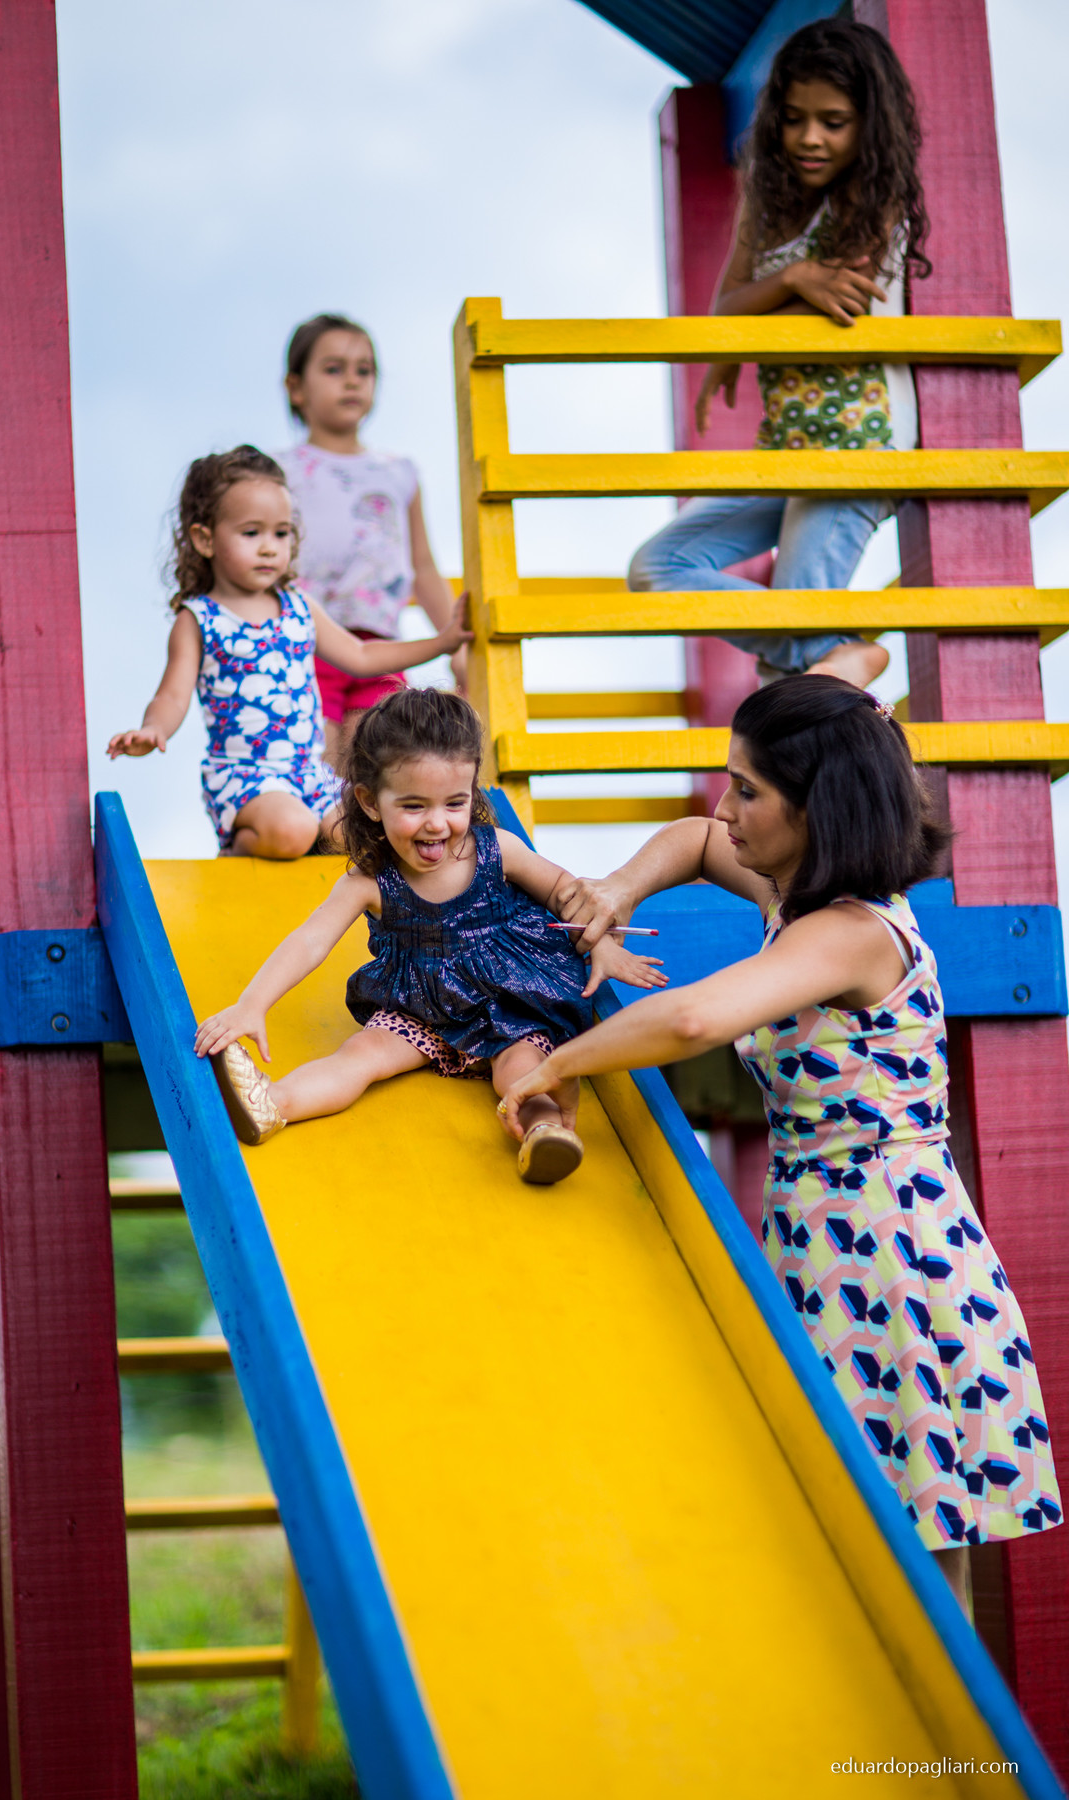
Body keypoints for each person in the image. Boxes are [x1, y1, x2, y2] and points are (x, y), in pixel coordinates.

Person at [501, 677, 1061, 1609]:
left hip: (890, 1257)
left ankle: (947, 1758)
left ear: (818, 810)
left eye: (749, 791)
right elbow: (690, 841)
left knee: (917, 1550)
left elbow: (691, 1021)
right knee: (866, 1536)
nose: (727, 810)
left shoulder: (847, 934)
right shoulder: (796, 888)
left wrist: (553, 1067)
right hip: (830, 1238)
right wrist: (613, 891)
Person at [192, 687, 666, 1184]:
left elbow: (568, 894)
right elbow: (310, 940)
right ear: (371, 802)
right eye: (414, 806)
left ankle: (545, 1134)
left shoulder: (496, 850)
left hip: (510, 1005)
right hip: (421, 1012)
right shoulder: (368, 881)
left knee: (522, 1068)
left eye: (455, 803)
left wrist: (605, 945)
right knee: (363, 1055)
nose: (437, 824)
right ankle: (274, 1103)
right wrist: (252, 1004)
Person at [629, 18, 931, 688]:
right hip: (787, 447)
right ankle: (834, 646)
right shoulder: (770, 203)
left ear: (869, 126)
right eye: (794, 119)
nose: (810, 138)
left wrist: (765, 311)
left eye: (833, 121)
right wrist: (794, 278)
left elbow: (837, 314)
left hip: (858, 446)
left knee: (783, 670)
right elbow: (725, 308)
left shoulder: (875, 203)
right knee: (658, 568)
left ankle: (819, 670)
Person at [107, 446, 470, 858]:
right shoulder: (200, 619)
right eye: (251, 533)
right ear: (204, 539)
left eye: (280, 533)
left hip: (309, 776)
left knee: (366, 835)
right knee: (293, 829)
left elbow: (363, 657)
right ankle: (237, 851)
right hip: (246, 779)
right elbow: (171, 695)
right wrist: (153, 729)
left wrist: (441, 642)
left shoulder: (299, 607)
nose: (269, 547)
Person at [277, 312, 466, 772]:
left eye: (364, 370)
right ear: (296, 387)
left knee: (374, 766)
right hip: (307, 644)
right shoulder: (278, 471)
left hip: (379, 645)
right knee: (313, 764)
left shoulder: (398, 472)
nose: (352, 382)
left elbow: (423, 567)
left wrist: (457, 650)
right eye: (333, 369)